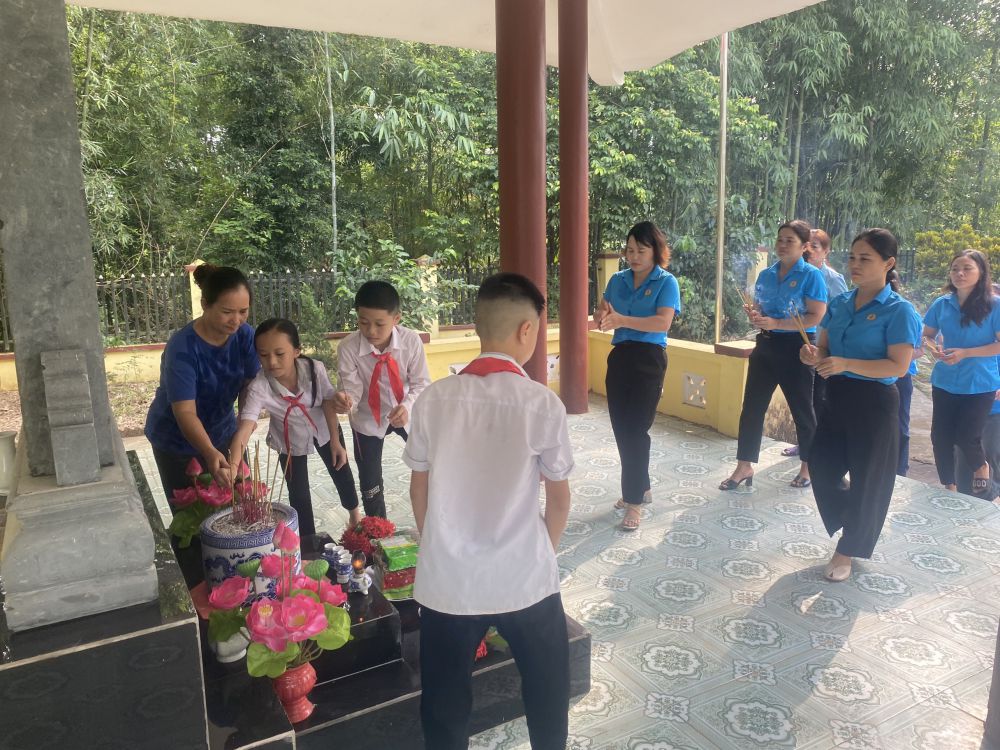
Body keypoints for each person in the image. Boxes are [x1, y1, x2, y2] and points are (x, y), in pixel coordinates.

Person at [404, 272, 573, 750]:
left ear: (478, 326)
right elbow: (559, 498)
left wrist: (439, 546)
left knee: (444, 704)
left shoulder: (433, 400)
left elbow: (419, 488)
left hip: (449, 583)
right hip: (524, 578)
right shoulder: (542, 403)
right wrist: (543, 552)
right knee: (548, 690)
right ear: (527, 330)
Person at [800, 228, 922, 581]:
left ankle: (848, 549)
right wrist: (812, 354)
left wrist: (846, 364)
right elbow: (823, 348)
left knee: (868, 480)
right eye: (852, 257)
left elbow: (898, 367)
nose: (855, 264)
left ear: (888, 263)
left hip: (875, 403)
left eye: (865, 258)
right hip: (836, 396)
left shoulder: (900, 311)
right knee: (821, 466)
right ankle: (858, 516)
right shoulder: (839, 303)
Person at [229, 318, 361, 538]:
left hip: (324, 429)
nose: (272, 362)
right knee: (298, 492)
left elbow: (327, 401)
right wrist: (233, 465)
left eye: (280, 354)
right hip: (288, 440)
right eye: (263, 355)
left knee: (341, 472)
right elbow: (244, 428)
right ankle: (307, 541)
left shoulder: (314, 369)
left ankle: (355, 517)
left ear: (297, 351)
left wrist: (336, 441)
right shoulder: (259, 387)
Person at [722, 220, 827, 491]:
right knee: (752, 408)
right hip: (766, 345)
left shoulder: (811, 275)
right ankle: (744, 465)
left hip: (798, 347)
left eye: (790, 240)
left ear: (804, 246)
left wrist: (778, 323)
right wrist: (756, 315)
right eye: (780, 239)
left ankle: (808, 466)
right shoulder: (767, 274)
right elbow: (761, 308)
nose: (782, 245)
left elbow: (816, 315)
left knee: (802, 409)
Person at [593, 221, 680, 531]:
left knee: (636, 430)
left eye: (641, 250)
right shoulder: (617, 280)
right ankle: (641, 486)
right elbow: (602, 313)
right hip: (620, 357)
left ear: (656, 251)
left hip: (649, 359)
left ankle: (633, 503)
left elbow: (662, 323)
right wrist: (602, 316)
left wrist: (622, 320)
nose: (633, 256)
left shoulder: (666, 282)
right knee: (621, 428)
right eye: (629, 250)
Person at [145, 264, 259, 499]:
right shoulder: (182, 348)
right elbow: (185, 412)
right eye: (227, 311)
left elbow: (250, 386)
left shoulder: (245, 336)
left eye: (243, 311)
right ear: (205, 304)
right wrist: (208, 451)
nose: (236, 320)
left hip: (224, 433)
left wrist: (243, 426)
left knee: (241, 506)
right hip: (177, 444)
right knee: (193, 515)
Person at [332, 281, 431, 518]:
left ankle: (432, 522)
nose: (371, 331)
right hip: (367, 417)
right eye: (363, 322)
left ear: (396, 318)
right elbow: (352, 389)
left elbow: (421, 383)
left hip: (406, 412)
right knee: (370, 482)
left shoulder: (410, 341)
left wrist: (407, 406)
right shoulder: (348, 347)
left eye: (379, 324)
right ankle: (378, 530)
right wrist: (346, 400)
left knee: (429, 464)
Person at [922, 249, 1000, 499]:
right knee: (940, 437)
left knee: (967, 436)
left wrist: (966, 353)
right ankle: (950, 488)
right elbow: (927, 334)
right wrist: (934, 349)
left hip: (980, 382)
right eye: (955, 268)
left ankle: (981, 467)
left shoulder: (994, 305)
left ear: (981, 272)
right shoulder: (942, 303)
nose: (960, 273)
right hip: (945, 380)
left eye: (967, 268)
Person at [783, 227, 848, 458]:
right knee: (804, 400)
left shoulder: (833, 279)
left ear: (826, 251)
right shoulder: (798, 274)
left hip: (822, 349)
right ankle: (805, 445)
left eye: (815, 246)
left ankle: (817, 451)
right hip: (804, 346)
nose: (808, 250)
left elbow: (842, 313)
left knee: (819, 399)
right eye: (806, 245)